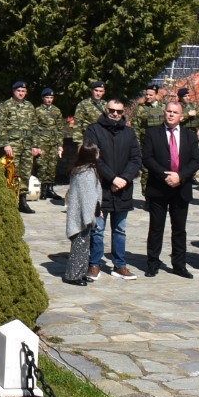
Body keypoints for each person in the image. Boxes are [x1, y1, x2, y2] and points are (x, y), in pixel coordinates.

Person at [83, 98, 141, 281]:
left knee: (120, 230)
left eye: (119, 111)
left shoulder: (129, 132)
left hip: (123, 189)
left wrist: (124, 178)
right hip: (101, 188)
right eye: (112, 110)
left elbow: (136, 158)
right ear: (106, 110)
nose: (115, 114)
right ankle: (94, 264)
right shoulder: (93, 130)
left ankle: (120, 265)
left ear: (123, 113)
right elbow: (92, 158)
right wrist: (112, 178)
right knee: (97, 230)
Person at [142, 100, 199, 278]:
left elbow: (196, 161)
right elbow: (147, 158)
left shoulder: (190, 135)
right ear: (164, 112)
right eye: (169, 111)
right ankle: (152, 263)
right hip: (159, 187)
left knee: (179, 229)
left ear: (181, 116)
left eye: (175, 112)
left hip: (181, 188)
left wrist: (180, 176)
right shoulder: (152, 133)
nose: (171, 114)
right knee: (156, 228)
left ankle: (179, 265)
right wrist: (165, 175)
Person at [62, 143, 101, 286]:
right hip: (81, 215)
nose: (99, 154)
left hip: (83, 213)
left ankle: (81, 272)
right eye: (97, 152)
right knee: (79, 246)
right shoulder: (85, 173)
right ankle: (73, 275)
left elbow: (93, 193)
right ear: (92, 155)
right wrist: (90, 215)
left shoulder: (86, 170)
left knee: (84, 246)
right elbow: (87, 196)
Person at [0, 81, 37, 213]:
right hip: (13, 144)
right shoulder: (6, 105)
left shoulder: (29, 106)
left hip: (27, 145)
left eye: (23, 91)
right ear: (14, 91)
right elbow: (1, 126)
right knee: (12, 172)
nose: (21, 93)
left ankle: (22, 201)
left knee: (25, 172)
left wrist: (35, 145)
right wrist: (5, 144)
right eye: (18, 91)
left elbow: (34, 126)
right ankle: (9, 201)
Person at [33, 87, 65, 201]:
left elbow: (60, 128)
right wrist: (36, 145)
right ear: (43, 98)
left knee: (52, 166)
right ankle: (42, 190)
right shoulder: (37, 111)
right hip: (42, 142)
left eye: (51, 97)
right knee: (42, 166)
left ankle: (50, 190)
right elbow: (34, 128)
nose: (49, 100)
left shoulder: (56, 111)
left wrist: (60, 145)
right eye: (47, 97)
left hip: (54, 143)